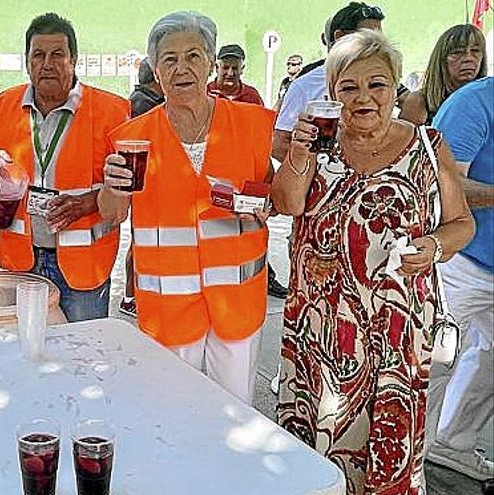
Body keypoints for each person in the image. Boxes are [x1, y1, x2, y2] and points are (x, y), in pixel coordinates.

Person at [272, 30, 475, 493]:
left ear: (396, 87)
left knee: (389, 444)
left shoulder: (428, 146)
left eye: (377, 84)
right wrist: (300, 155)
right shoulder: (318, 145)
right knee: (318, 447)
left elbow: (462, 223)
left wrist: (435, 248)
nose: (363, 97)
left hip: (397, 330)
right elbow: (286, 204)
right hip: (320, 329)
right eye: (349, 86)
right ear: (332, 92)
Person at [98, 11, 276, 404]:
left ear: (212, 63)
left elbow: (274, 196)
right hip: (168, 310)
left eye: (194, 56)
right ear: (156, 71)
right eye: (170, 59)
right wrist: (112, 188)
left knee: (234, 417)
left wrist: (264, 204)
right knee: (174, 415)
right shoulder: (130, 139)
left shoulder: (253, 125)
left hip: (237, 306)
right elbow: (111, 214)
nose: (182, 68)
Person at [0, 13, 129, 323]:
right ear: (27, 61)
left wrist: (85, 203)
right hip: (21, 261)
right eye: (39, 55)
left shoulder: (114, 112)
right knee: (25, 353)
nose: (47, 63)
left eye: (57, 54)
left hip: (84, 267)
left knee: (84, 357)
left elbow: (129, 186)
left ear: (74, 60)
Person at [425, 76, 494, 482]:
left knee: (489, 361)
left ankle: (452, 444)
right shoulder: (474, 103)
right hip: (462, 260)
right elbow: (443, 184)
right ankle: (410, 455)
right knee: (434, 360)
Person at [205, 43, 288, 300]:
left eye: (234, 68)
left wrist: (267, 177)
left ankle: (264, 276)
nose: (229, 73)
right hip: (213, 172)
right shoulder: (204, 93)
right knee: (215, 224)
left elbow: (262, 136)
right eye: (225, 67)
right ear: (216, 66)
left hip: (246, 171)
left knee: (253, 225)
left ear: (242, 68)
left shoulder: (251, 96)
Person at [271, 2, 385, 164]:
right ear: (339, 37)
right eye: (367, 39)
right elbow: (279, 145)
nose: (376, 47)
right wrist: (317, 175)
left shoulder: (383, 84)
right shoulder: (304, 85)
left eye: (379, 38)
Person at [120, 57, 164, 318]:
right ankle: (130, 296)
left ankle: (132, 296)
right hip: (144, 186)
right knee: (139, 243)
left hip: (146, 184)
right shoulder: (143, 106)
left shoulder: (144, 101)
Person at [399, 24, 487, 126]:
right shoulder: (420, 102)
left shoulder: (487, 99)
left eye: (475, 51)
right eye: (457, 52)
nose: (468, 58)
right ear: (442, 60)